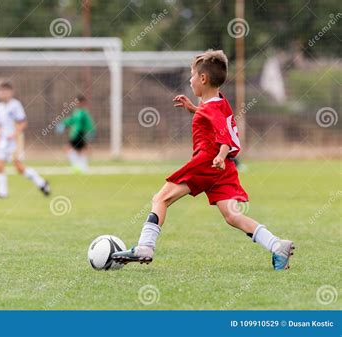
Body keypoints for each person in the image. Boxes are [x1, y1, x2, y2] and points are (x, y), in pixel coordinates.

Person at [112, 50, 294, 270]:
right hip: (222, 169)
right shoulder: (218, 102)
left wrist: (219, 154)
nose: (190, 80)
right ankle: (277, 246)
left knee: (160, 198)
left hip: (207, 162)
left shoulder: (211, 109)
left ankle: (144, 247)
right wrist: (193, 109)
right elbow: (214, 120)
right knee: (232, 216)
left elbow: (223, 136)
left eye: (192, 75)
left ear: (203, 79)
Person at [0, 79, 50, 198]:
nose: (2, 93)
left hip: (15, 140)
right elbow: (0, 126)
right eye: (0, 90)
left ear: (11, 92)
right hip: (3, 140)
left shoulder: (15, 105)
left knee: (18, 167)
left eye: (5, 90)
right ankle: (2, 193)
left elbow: (23, 123)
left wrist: (14, 134)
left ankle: (41, 183)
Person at [59, 95, 95, 173]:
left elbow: (88, 124)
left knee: (79, 149)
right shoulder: (77, 112)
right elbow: (72, 120)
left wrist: (90, 132)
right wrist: (64, 123)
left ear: (82, 103)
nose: (77, 104)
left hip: (80, 133)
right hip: (75, 134)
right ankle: (79, 166)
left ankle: (80, 166)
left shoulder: (83, 113)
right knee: (80, 150)